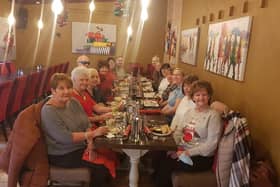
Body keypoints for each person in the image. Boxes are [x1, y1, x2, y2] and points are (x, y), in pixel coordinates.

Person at [41, 73, 112, 187]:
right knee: (101, 170)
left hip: (79, 147)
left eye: (69, 88)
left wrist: (90, 144)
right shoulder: (48, 111)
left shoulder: (73, 102)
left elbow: (86, 123)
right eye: (61, 88)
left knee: (109, 157)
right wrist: (92, 134)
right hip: (62, 154)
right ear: (53, 91)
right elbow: (65, 137)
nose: (66, 91)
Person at [155, 80, 222, 187]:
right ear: (193, 97)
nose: (201, 98)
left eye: (204, 94)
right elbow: (179, 132)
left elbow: (211, 145)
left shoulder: (213, 116)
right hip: (184, 150)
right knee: (159, 154)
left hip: (201, 157)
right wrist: (174, 147)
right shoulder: (189, 112)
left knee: (166, 164)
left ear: (209, 96)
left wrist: (186, 153)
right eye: (197, 95)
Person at [170, 74, 199, 143]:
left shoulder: (196, 105)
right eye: (185, 85)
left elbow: (190, 132)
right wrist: (170, 131)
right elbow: (176, 117)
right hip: (174, 134)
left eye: (189, 86)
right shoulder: (185, 98)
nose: (186, 88)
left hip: (184, 140)